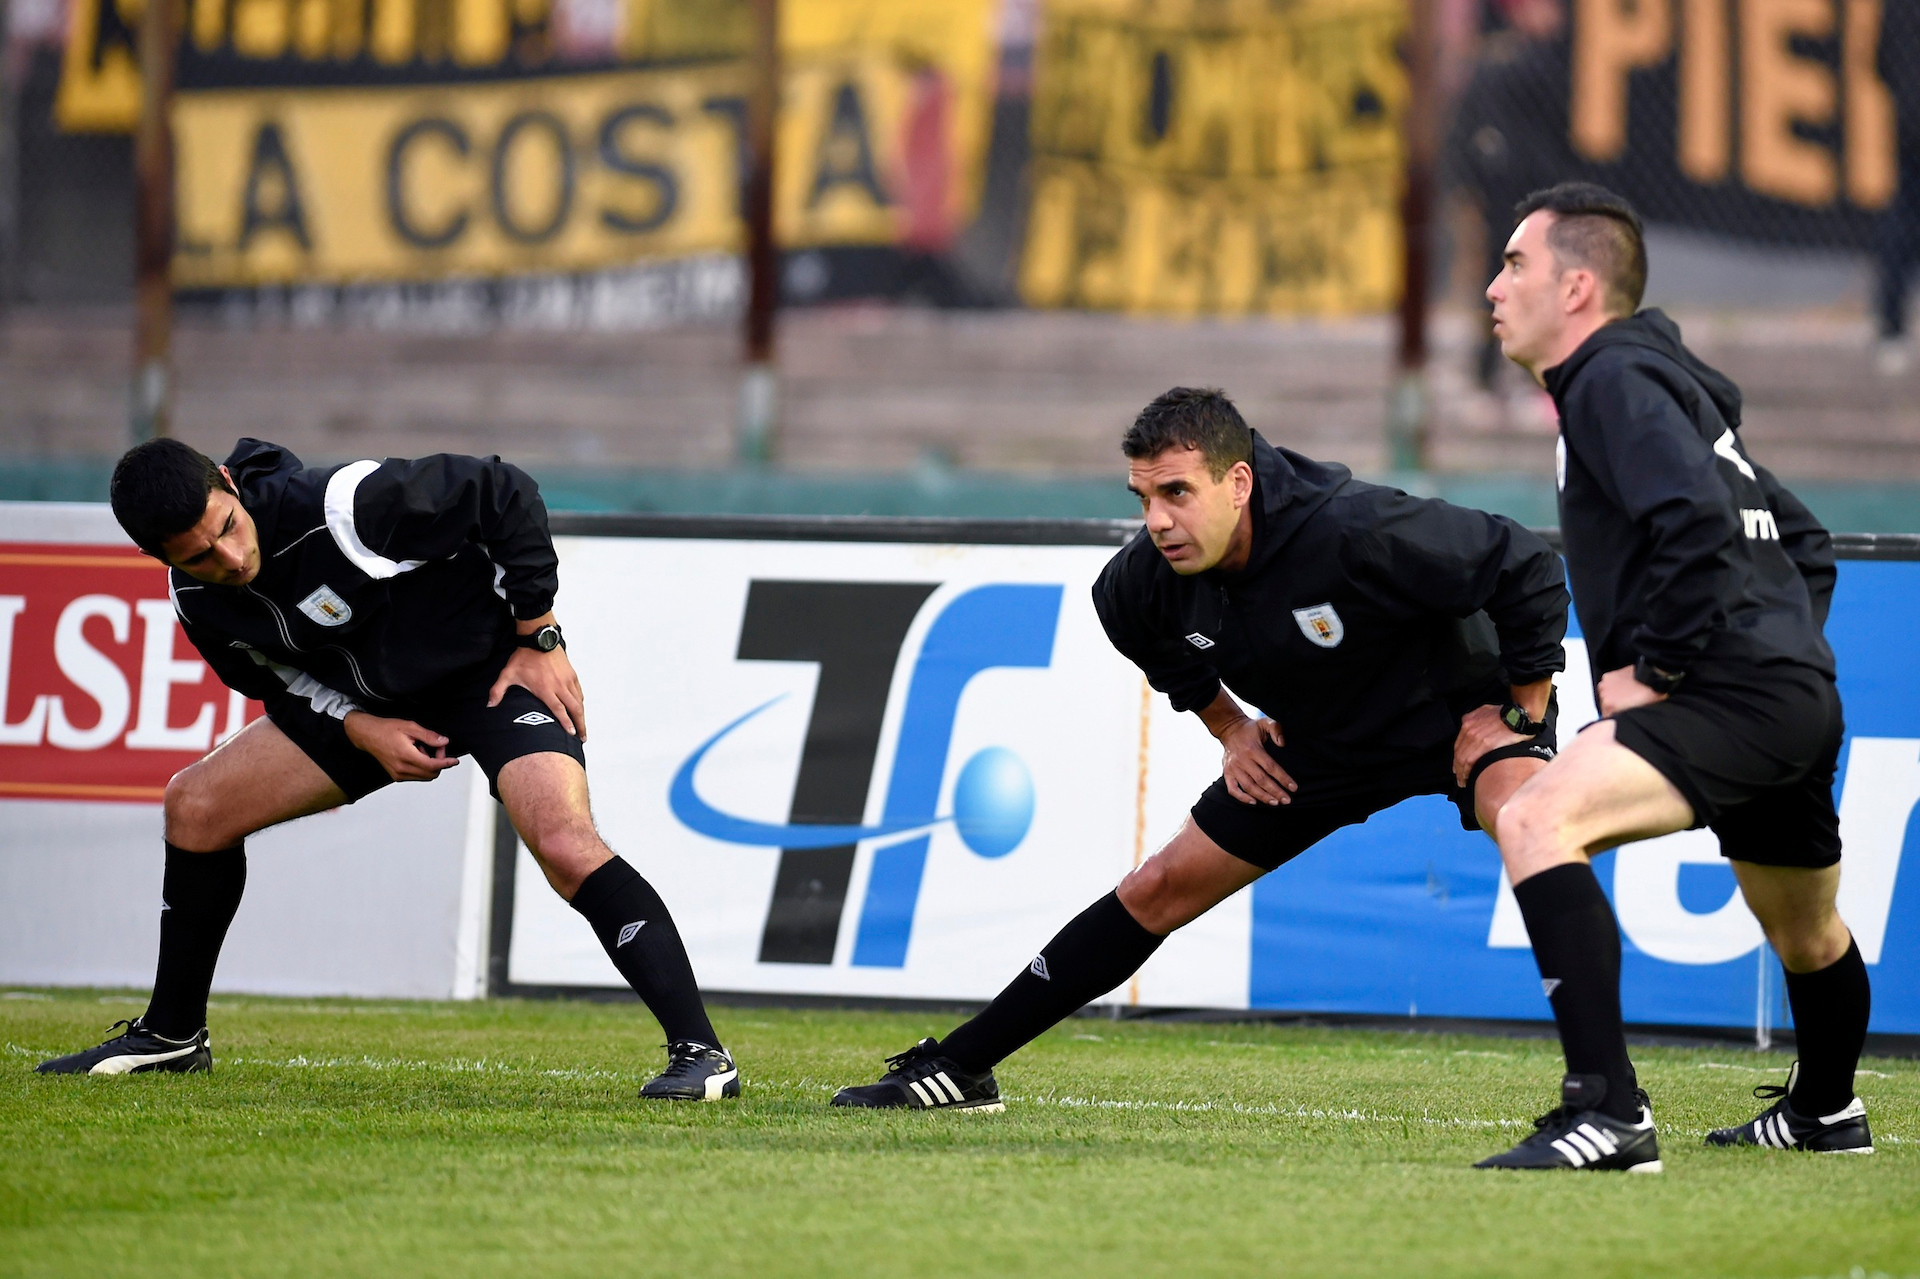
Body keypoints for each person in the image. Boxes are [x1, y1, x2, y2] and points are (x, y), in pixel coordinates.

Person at [831, 387, 1570, 1111]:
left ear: (1238, 482)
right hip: (1315, 746)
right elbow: (1143, 636)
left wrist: (1519, 711)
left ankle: (1605, 1094)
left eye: (1178, 493)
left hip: (1455, 712)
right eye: (1143, 497)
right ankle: (961, 1066)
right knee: (1157, 886)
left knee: (1527, 826)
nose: (1157, 520)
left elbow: (1526, 565)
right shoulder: (1138, 585)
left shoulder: (1352, 527)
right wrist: (1230, 727)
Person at [36, 438, 740, 1102]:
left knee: (562, 840)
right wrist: (358, 727)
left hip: (492, 676)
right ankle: (172, 1035)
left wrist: (540, 633)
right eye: (200, 556)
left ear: (228, 483)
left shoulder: (345, 505)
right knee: (195, 806)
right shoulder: (196, 598)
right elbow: (276, 682)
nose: (229, 557)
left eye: (226, 528)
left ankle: (703, 1056)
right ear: (155, 554)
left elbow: (504, 489)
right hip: (367, 708)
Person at [1479, 182, 1871, 1172]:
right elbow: (1807, 543)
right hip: (1787, 696)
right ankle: (1827, 1111)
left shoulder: (1609, 378)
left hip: (1728, 693)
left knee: (1531, 818)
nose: (1492, 286)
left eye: (1514, 264)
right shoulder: (1659, 386)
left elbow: (1695, 522)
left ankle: (1607, 1112)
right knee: (1805, 925)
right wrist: (1779, 650)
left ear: (1576, 287)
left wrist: (1659, 668)